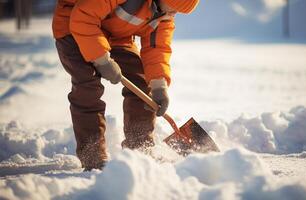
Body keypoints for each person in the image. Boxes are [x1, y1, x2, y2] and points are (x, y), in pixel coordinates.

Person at [52, 0, 199, 170]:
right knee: (88, 86)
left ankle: (139, 147)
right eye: (175, 8)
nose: (175, 14)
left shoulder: (163, 16)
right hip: (74, 27)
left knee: (142, 81)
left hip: (117, 36)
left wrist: (159, 85)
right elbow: (83, 16)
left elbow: (157, 48)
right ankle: (92, 156)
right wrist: (101, 58)